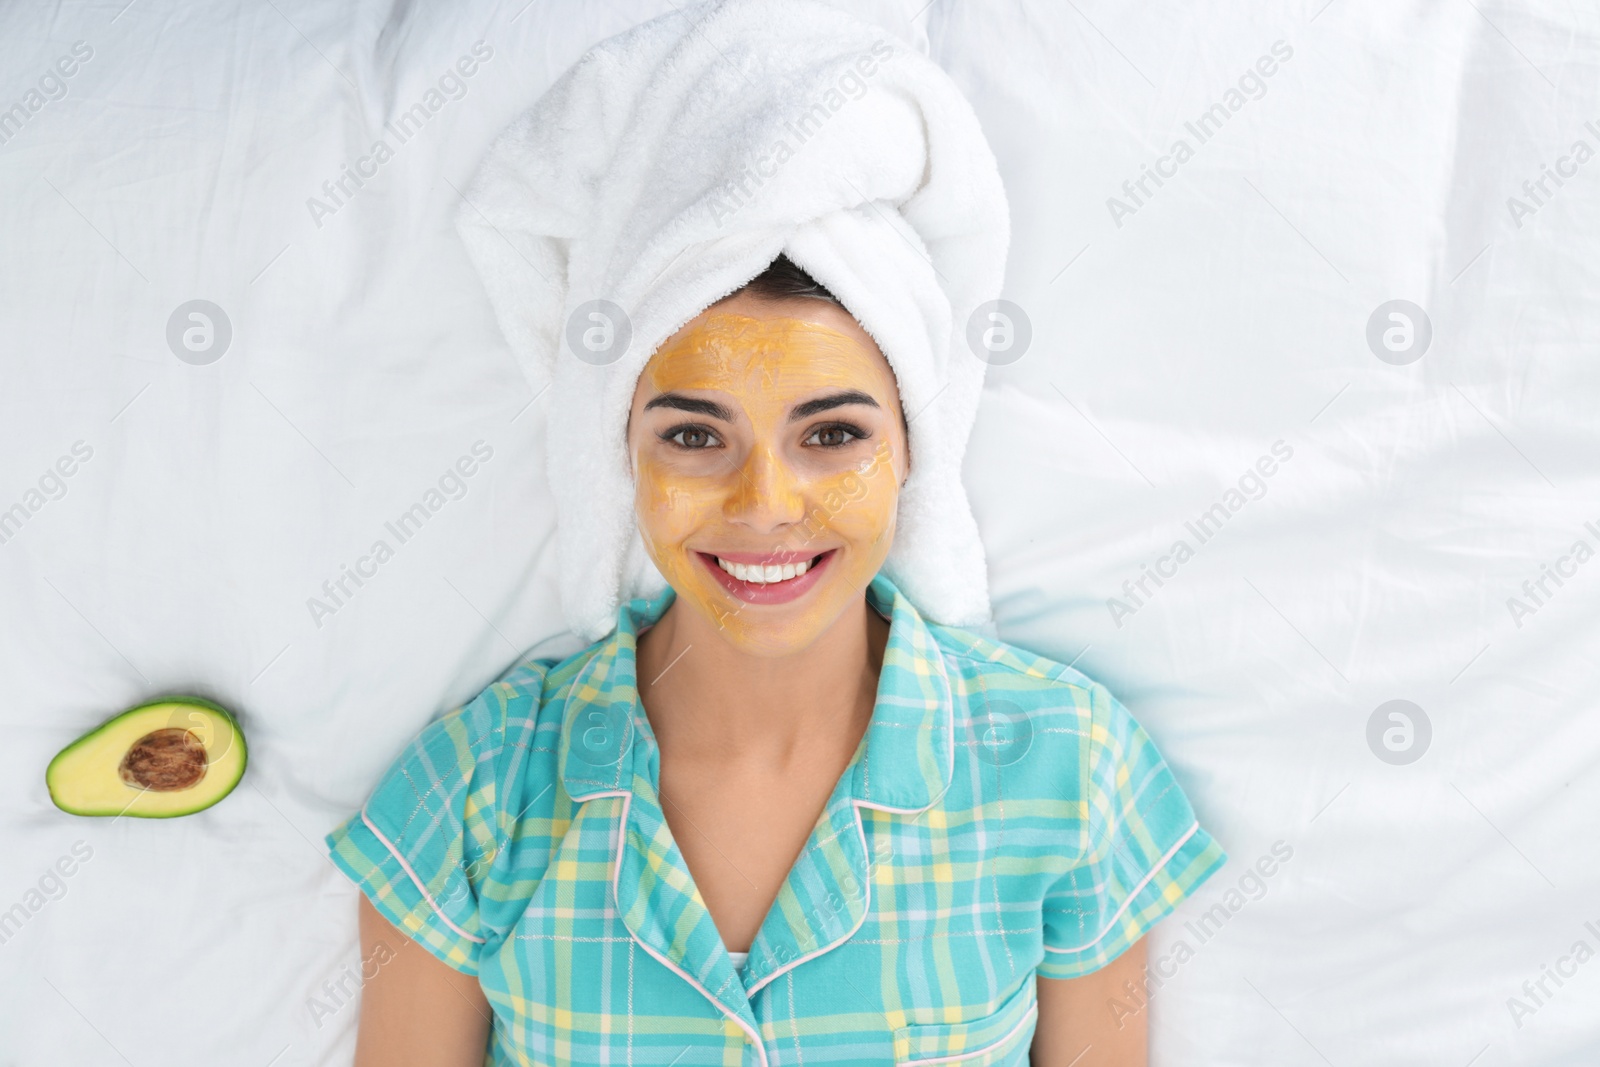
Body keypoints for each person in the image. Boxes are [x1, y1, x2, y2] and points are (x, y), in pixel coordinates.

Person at [323, 254, 1228, 1066]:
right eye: (693, 435)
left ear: (913, 450)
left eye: (832, 435)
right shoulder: (473, 788)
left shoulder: (1068, 761)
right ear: (623, 457)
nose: (765, 506)